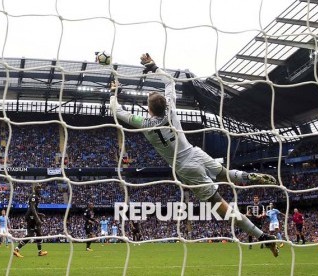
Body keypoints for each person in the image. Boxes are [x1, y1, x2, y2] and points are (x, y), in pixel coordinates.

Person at [109, 53, 279, 257]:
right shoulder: (171, 110)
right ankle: (246, 176)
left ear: (149, 109)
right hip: (195, 152)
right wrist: (154, 67)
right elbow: (170, 81)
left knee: (221, 207)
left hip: (185, 167)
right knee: (225, 174)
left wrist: (113, 92)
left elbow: (117, 111)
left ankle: (262, 236)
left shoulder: (143, 123)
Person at [13, 184, 48, 257]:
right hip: (31, 218)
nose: (40, 190)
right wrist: (37, 218)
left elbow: (33, 209)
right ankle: (16, 250)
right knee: (30, 235)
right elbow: (32, 208)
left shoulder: (37, 197)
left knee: (39, 234)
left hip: (33, 217)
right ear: (35, 189)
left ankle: (40, 252)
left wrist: (39, 214)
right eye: (38, 188)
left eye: (40, 188)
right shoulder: (33, 196)